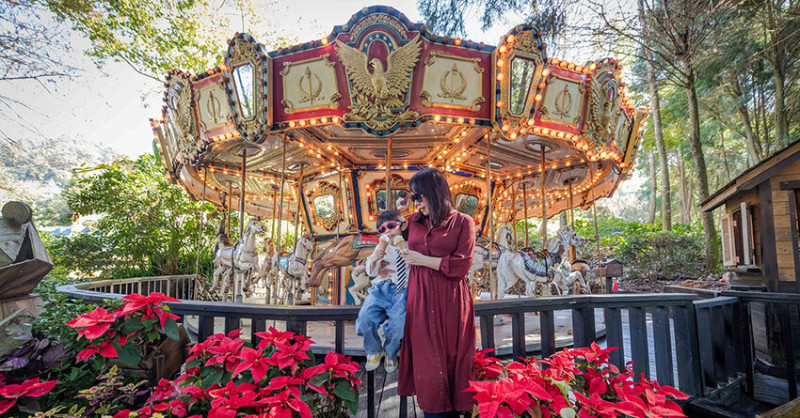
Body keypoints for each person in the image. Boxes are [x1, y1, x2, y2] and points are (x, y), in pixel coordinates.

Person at [397, 168, 476, 417]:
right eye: (413, 197)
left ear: (434, 192)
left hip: (452, 300)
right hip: (420, 299)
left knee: (454, 359)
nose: (416, 203)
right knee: (428, 363)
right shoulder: (412, 222)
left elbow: (462, 264)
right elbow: (387, 233)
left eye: (419, 196)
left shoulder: (463, 222)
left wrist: (422, 260)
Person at [356, 210, 409, 373]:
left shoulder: (411, 245)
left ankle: (390, 352)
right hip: (381, 287)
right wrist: (375, 260)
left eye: (391, 226)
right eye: (382, 229)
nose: (388, 231)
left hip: (401, 289)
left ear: (402, 226)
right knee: (365, 318)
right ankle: (373, 350)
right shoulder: (381, 246)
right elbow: (370, 271)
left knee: (398, 325)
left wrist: (406, 253)